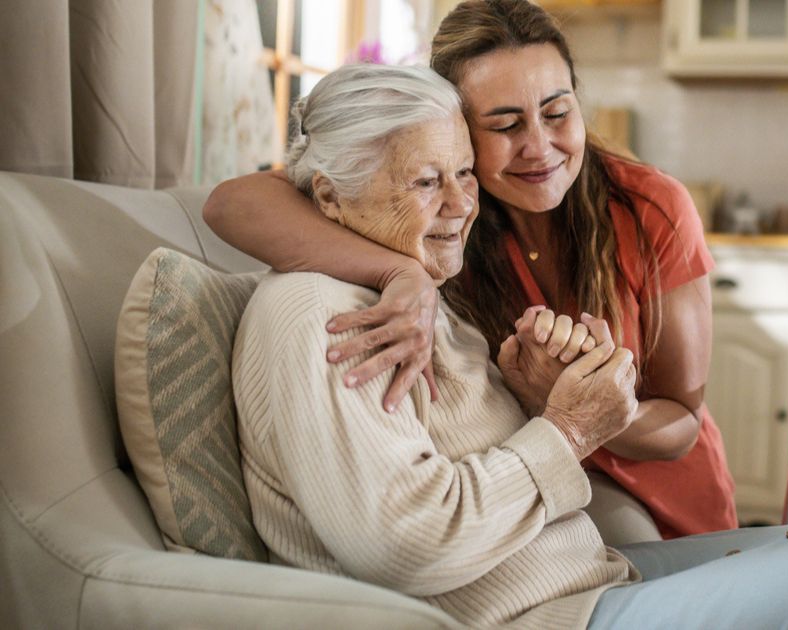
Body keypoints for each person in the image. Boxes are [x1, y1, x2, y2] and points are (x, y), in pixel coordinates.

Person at [233, 62, 788, 630]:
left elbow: (469, 449)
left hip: (580, 581)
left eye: (464, 173)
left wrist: (537, 393)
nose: (462, 204)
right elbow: (406, 543)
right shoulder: (325, 319)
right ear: (329, 196)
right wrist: (567, 429)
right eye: (426, 183)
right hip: (534, 617)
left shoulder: (410, 288)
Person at [205, 0, 734, 542]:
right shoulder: (447, 220)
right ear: (457, 127)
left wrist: (583, 406)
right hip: (535, 492)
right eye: (504, 124)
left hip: (668, 501)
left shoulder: (649, 207)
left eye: (557, 113)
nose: (539, 148)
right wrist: (402, 274)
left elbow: (682, 423)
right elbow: (231, 204)